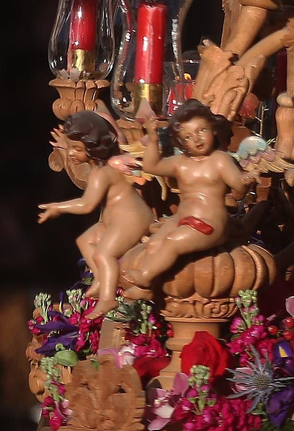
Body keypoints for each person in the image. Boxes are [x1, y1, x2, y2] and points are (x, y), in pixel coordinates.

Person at [121, 100, 250, 289]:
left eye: (201, 131)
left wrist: (247, 179)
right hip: (183, 218)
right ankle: (146, 291)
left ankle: (146, 276)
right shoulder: (180, 162)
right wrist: (153, 137)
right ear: (181, 142)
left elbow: (238, 185)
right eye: (188, 137)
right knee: (153, 245)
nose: (197, 139)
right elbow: (151, 166)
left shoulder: (220, 160)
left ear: (213, 129)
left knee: (173, 242)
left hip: (210, 223)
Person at [39, 112, 156, 318]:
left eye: (76, 149)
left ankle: (108, 298)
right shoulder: (101, 167)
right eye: (71, 147)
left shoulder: (102, 174)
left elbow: (87, 205)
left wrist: (59, 207)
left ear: (92, 149)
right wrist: (67, 147)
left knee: (103, 254)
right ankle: (101, 279)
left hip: (133, 219)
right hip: (115, 220)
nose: (72, 154)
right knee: (84, 240)